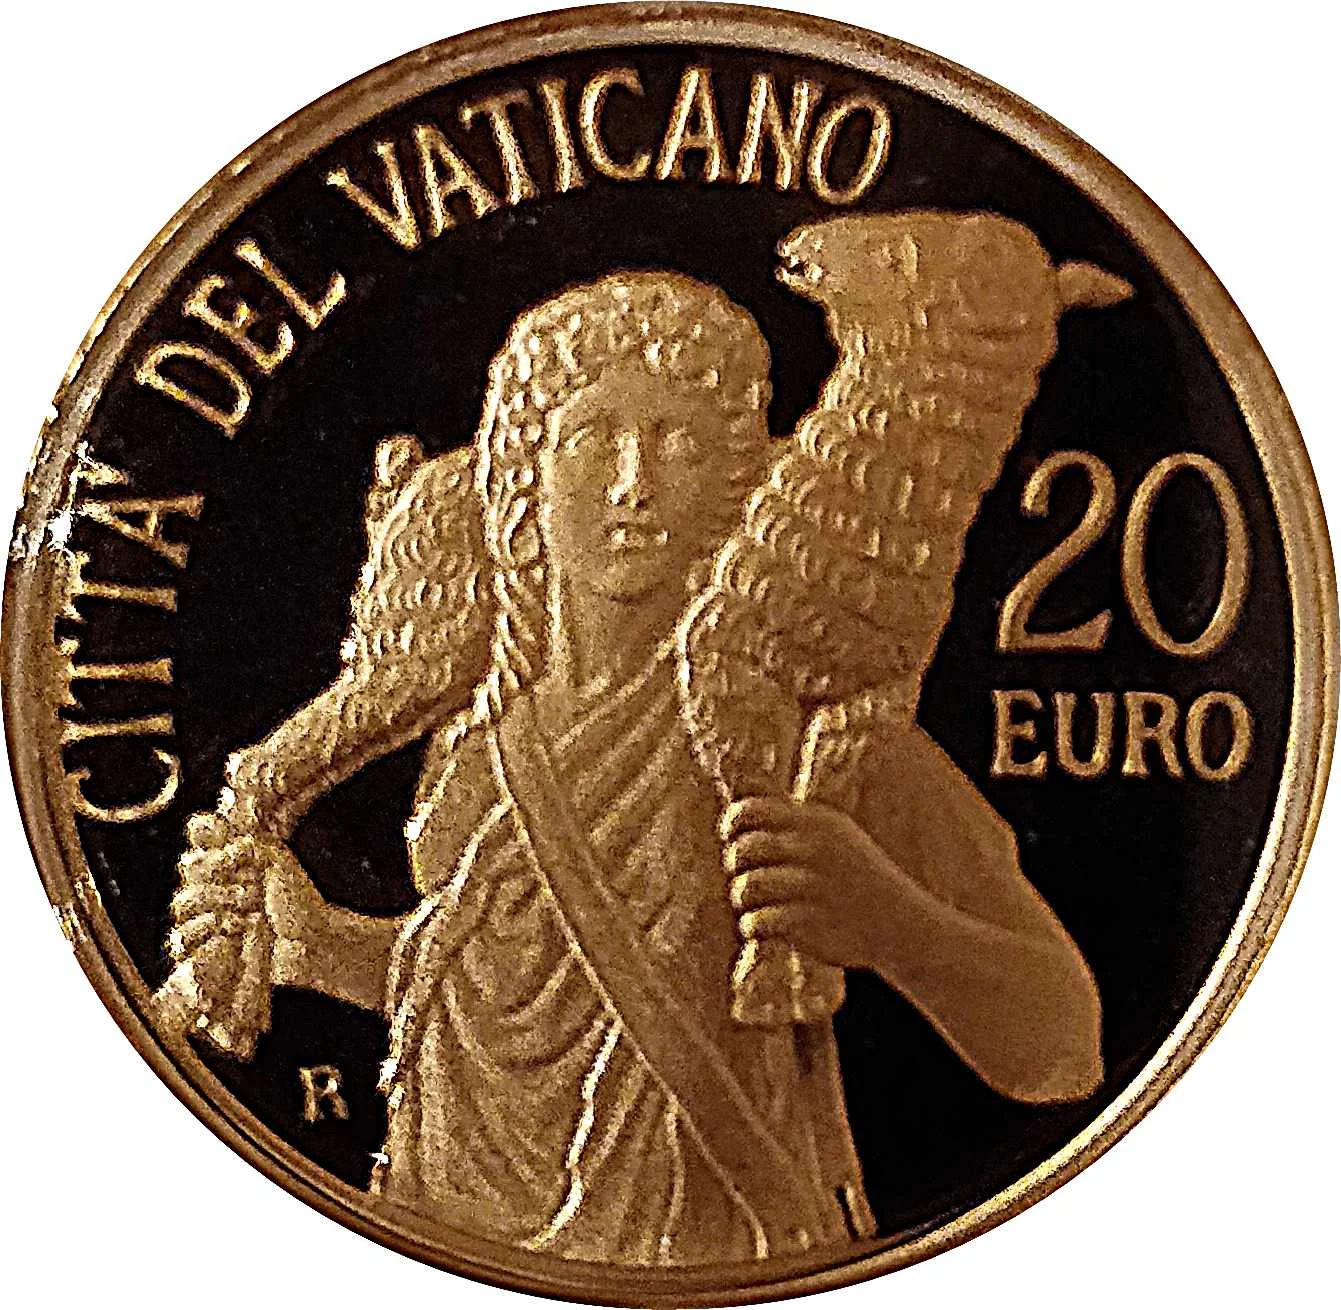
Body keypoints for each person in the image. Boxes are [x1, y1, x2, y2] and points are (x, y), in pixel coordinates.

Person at [161, 271, 1102, 1267]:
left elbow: (1063, 1043)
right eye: (591, 438)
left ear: (737, 488)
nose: (633, 484)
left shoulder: (797, 735)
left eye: (679, 444)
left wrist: (891, 922)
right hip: (437, 1239)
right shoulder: (474, 744)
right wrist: (321, 948)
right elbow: (510, 995)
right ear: (521, 480)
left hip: (726, 1261)